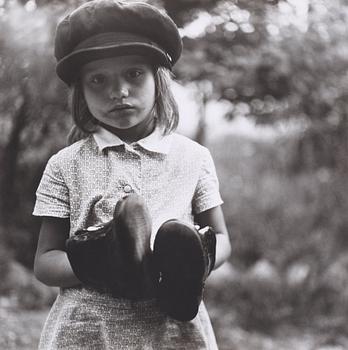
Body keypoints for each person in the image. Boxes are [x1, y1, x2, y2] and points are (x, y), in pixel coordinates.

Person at [33, 0, 231, 349]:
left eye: (134, 74)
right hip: (89, 331)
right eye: (98, 79)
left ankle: (171, 261)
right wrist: (102, 267)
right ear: (81, 91)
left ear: (158, 80)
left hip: (171, 329)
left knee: (178, 237)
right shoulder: (65, 165)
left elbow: (221, 235)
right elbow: (45, 262)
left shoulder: (193, 157)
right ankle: (109, 248)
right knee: (110, 248)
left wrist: (197, 259)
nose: (118, 91)